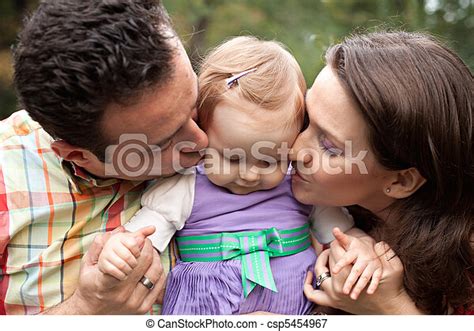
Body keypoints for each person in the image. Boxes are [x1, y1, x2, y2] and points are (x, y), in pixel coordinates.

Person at [98, 36, 367, 314]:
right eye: (232, 158)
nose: (250, 174)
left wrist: (362, 249)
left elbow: (343, 234)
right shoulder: (186, 186)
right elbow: (142, 236)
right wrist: (120, 249)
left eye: (269, 160)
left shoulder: (299, 185)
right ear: (204, 134)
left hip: (297, 311)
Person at [0, 0, 208, 314]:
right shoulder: (6, 174)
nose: (202, 140)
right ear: (80, 156)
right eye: (163, 143)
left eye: (194, 102)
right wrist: (86, 310)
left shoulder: (231, 123)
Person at [290, 31, 473, 314]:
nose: (294, 150)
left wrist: (391, 309)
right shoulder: (310, 211)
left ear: (401, 180)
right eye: (303, 118)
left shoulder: (466, 270)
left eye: (329, 147)